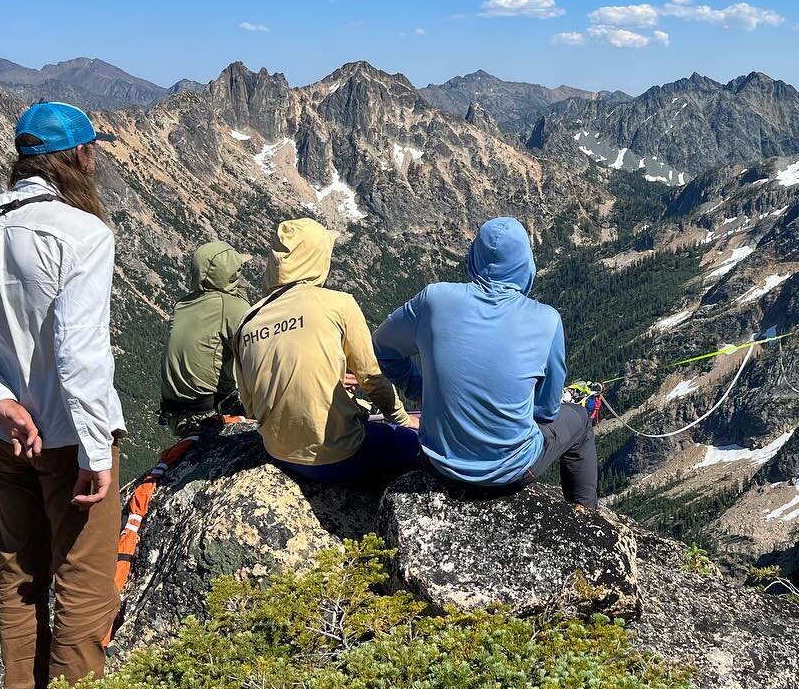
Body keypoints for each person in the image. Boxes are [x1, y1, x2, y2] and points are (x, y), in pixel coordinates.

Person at [0, 101, 123, 689]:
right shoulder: (83, 233)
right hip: (69, 435)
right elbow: (79, 353)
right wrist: (96, 450)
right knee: (84, 581)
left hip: (6, 434)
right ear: (82, 157)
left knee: (19, 570)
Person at [373, 216, 598, 509]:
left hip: (438, 465)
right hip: (514, 472)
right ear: (525, 263)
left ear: (474, 255)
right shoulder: (547, 319)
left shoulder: (434, 300)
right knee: (579, 421)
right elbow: (546, 411)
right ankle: (585, 518)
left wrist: (420, 388)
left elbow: (382, 346)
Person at [233, 217, 418, 482]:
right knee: (425, 444)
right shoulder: (338, 304)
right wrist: (401, 420)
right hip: (342, 455)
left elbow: (251, 407)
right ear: (317, 257)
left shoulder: (248, 321)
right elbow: (372, 379)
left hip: (279, 454)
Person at [158, 241, 250, 436]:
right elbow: (254, 345)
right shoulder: (232, 307)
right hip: (207, 414)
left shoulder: (182, 305)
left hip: (175, 414)